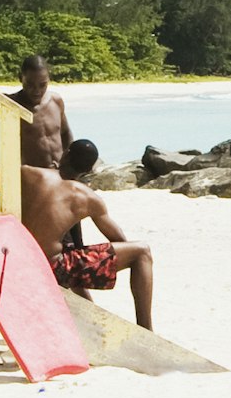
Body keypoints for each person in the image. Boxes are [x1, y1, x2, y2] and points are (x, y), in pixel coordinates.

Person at [19, 140, 156, 332]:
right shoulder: (88, 198)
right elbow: (120, 241)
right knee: (142, 252)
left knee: (71, 254)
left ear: (65, 154)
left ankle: (90, 317)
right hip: (52, 268)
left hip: (20, 259)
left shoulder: (28, 174)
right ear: (88, 170)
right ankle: (146, 330)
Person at [12, 53, 68, 181]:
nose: (36, 90)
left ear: (49, 79)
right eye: (30, 84)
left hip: (60, 173)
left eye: (42, 85)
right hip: (34, 178)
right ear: (21, 78)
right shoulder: (12, 105)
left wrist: (69, 164)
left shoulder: (56, 100)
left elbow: (65, 133)